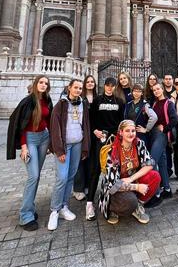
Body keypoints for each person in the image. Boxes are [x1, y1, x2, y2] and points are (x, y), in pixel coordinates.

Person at [6, 75, 53, 231]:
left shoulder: (47, 100)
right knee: (33, 176)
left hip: (43, 139)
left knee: (36, 175)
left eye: (46, 83)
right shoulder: (28, 101)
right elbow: (21, 124)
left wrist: (50, 143)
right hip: (30, 140)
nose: (43, 85)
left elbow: (49, 120)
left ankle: (30, 209)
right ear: (35, 84)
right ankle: (25, 215)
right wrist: (24, 146)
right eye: (41, 82)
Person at [98, 120, 161, 224]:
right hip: (115, 189)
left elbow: (149, 164)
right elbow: (112, 185)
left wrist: (131, 179)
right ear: (121, 133)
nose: (131, 134)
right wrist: (137, 187)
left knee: (155, 176)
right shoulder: (113, 151)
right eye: (127, 131)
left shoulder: (138, 144)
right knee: (130, 201)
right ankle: (113, 209)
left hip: (131, 180)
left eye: (133, 130)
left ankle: (138, 205)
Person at [48, 79, 90, 230]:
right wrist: (59, 150)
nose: (78, 90)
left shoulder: (83, 104)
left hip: (78, 144)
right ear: (69, 88)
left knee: (71, 176)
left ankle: (64, 206)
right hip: (65, 146)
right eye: (76, 87)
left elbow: (85, 125)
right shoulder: (61, 104)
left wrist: (85, 148)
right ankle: (54, 210)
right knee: (62, 178)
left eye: (80, 88)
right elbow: (55, 128)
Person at [86, 77, 124, 220]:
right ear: (104, 86)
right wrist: (95, 130)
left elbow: (121, 121)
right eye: (107, 85)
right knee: (96, 169)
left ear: (115, 87)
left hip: (114, 140)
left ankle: (112, 202)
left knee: (113, 170)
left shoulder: (119, 102)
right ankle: (89, 203)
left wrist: (118, 137)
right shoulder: (97, 100)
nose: (109, 88)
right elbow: (91, 119)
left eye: (112, 86)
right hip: (100, 138)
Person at [147, 82, 178, 206]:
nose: (156, 91)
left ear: (162, 89)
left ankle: (156, 194)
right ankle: (167, 189)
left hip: (161, 135)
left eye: (158, 89)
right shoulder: (154, 103)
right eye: (154, 90)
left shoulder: (168, 103)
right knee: (162, 162)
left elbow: (175, 119)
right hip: (154, 134)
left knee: (152, 161)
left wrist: (165, 128)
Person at [73, 74, 98, 201]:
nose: (90, 83)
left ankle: (88, 185)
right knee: (79, 161)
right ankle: (78, 188)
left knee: (90, 160)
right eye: (87, 82)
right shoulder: (80, 97)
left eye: (92, 82)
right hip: (81, 132)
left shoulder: (97, 98)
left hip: (93, 133)